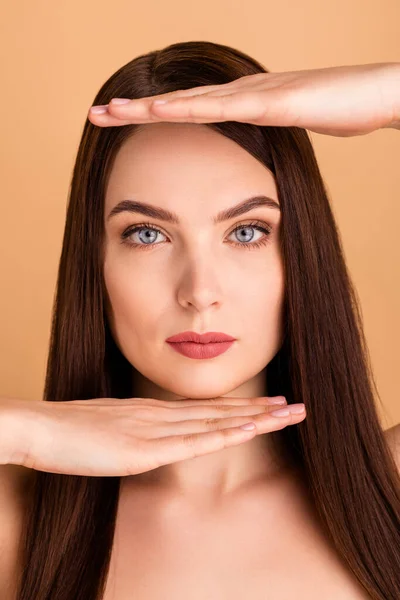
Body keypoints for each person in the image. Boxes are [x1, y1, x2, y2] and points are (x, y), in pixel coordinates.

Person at [0, 41, 399, 600]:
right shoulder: (16, 524)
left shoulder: (389, 494)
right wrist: (22, 432)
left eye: (246, 231)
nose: (200, 293)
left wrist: (389, 94)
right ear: (95, 262)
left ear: (303, 253)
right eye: (147, 234)